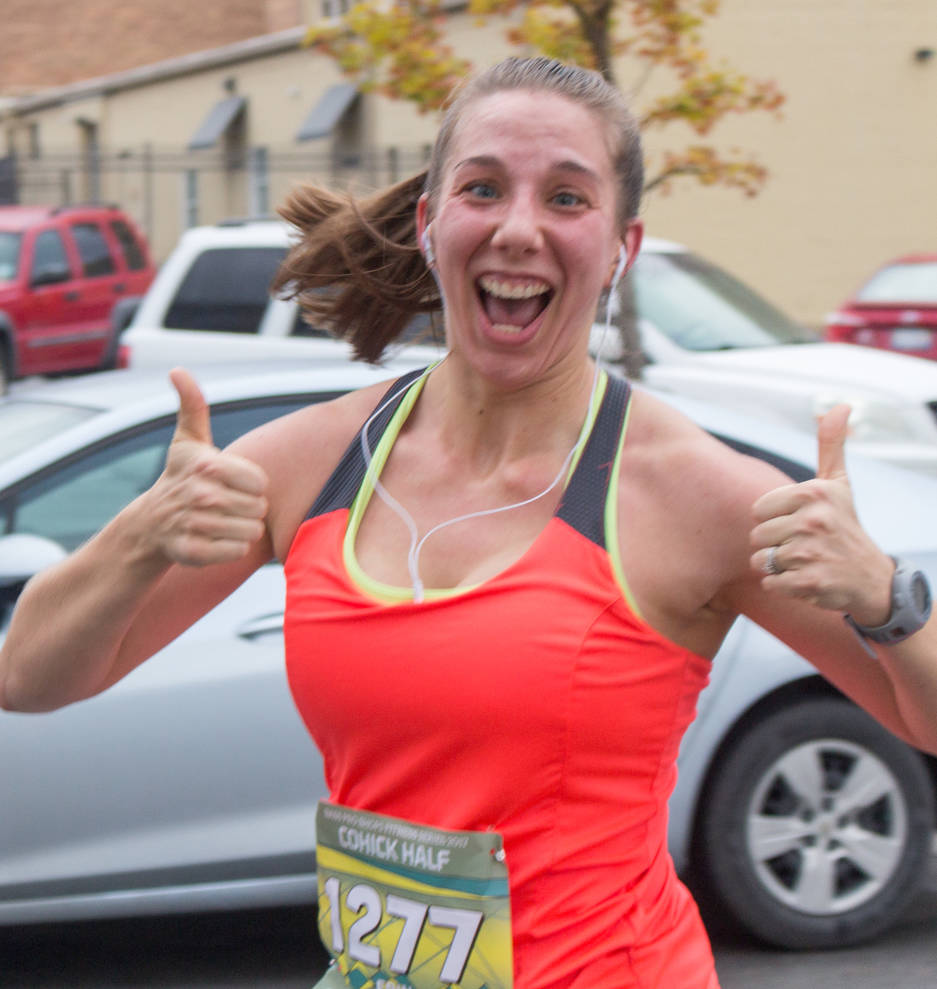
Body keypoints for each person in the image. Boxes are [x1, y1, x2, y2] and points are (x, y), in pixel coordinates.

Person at [1, 55, 936, 989]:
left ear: (622, 247)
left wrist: (882, 596)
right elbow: (30, 677)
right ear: (430, 221)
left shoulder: (694, 495)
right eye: (482, 188)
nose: (518, 229)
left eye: (566, 198)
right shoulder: (315, 461)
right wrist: (141, 534)